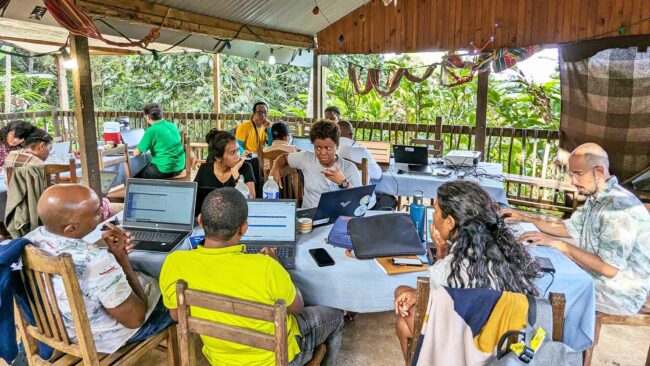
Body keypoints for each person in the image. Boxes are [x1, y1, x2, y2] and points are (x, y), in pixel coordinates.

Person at [159, 187, 344, 365]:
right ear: (244, 228)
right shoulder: (266, 267)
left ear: (200, 221)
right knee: (336, 315)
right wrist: (278, 266)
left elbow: (177, 314)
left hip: (220, 359)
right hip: (277, 358)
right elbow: (297, 307)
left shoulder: (174, 263)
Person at [501, 143, 650, 315]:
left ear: (599, 171)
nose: (573, 181)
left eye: (578, 174)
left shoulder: (617, 207)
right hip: (594, 278)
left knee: (530, 288)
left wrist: (559, 245)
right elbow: (568, 228)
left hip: (618, 294)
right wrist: (525, 218)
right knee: (534, 270)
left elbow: (608, 269)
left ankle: (556, 339)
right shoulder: (598, 197)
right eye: (572, 174)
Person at [394, 180, 539, 358]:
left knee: (403, 297)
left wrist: (440, 254)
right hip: (505, 342)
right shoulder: (509, 253)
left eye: (436, 212)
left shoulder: (446, 269)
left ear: (450, 222)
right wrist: (443, 251)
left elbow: (434, 303)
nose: (434, 217)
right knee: (402, 325)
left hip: (466, 349)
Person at [25, 184, 172, 354]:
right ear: (71, 229)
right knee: (173, 296)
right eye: (97, 212)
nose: (103, 211)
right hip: (102, 339)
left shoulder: (29, 239)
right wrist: (122, 259)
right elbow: (135, 319)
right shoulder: (95, 261)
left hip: (55, 328)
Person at [269, 120, 361, 209]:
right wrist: (275, 169)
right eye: (318, 148)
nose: (322, 153)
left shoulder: (349, 168)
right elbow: (284, 157)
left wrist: (343, 182)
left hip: (337, 218)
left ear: (337, 145)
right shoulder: (306, 158)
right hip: (308, 218)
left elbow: (360, 202)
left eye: (328, 148)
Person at [194, 129, 256, 197]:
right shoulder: (204, 170)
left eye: (238, 150)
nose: (237, 156)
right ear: (218, 158)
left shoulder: (245, 168)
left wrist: (237, 177)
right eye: (232, 153)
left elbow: (251, 199)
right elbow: (193, 196)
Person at [133, 103, 185, 179]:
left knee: (134, 176)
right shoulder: (172, 125)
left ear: (148, 116)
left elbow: (137, 153)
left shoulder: (151, 130)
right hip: (179, 166)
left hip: (164, 169)